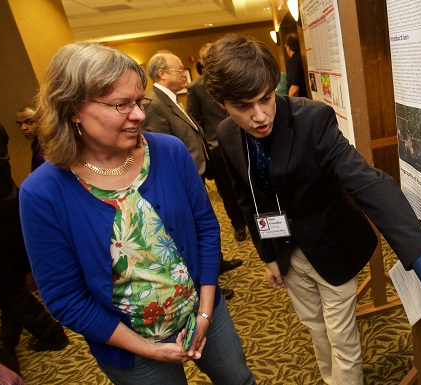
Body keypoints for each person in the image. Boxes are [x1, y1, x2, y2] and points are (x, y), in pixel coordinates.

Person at [203, 34, 421, 385]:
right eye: (244, 107)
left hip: (331, 247)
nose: (259, 115)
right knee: (314, 327)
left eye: (265, 99)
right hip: (285, 252)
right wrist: (267, 256)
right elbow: (247, 199)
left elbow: (369, 183)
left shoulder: (312, 120)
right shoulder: (226, 132)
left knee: (341, 335)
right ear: (222, 103)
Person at [19, 43, 255, 385]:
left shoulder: (169, 152)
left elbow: (205, 228)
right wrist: (150, 350)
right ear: (72, 109)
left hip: (205, 312)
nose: (139, 115)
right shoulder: (42, 193)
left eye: (139, 102)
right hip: (129, 345)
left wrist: (205, 311)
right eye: (121, 105)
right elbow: (65, 298)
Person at [0, 118, 69, 376]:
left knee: (9, 292)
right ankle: (7, 338)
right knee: (13, 284)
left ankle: (52, 334)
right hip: (12, 218)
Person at [143, 50, 242, 300]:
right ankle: (207, 282)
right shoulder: (155, 104)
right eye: (178, 70)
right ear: (162, 74)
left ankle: (216, 264)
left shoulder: (172, 98)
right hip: (181, 176)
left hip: (195, 169)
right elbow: (161, 148)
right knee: (193, 228)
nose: (184, 75)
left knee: (204, 221)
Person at [187, 43, 248, 243]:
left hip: (244, 138)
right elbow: (195, 119)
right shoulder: (195, 88)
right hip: (217, 148)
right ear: (204, 64)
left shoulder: (236, 77)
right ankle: (238, 225)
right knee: (228, 191)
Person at [15, 105, 45, 171]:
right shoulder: (36, 143)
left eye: (30, 122)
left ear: (42, 120)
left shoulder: (51, 144)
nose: (23, 128)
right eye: (20, 124)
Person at [284, 33, 307, 98]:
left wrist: (289, 105)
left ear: (288, 47)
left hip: (301, 101)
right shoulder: (303, 58)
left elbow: (294, 89)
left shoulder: (292, 62)